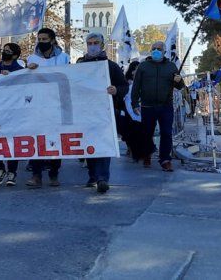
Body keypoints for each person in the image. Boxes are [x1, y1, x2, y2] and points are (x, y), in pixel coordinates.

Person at [76, 33, 128, 193]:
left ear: (102, 44)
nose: (92, 45)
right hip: (85, 111)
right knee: (90, 144)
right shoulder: (80, 65)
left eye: (95, 43)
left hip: (105, 111)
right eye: (89, 43)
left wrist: (116, 90)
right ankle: (93, 176)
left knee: (103, 144)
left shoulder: (111, 66)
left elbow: (124, 86)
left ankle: (102, 178)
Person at [25, 28, 70, 187]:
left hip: (57, 105)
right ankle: (36, 175)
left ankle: (54, 173)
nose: (41, 42)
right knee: (38, 140)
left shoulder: (64, 58)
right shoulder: (32, 58)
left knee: (55, 140)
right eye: (40, 39)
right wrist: (27, 70)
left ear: (52, 40)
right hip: (38, 105)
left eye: (45, 39)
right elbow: (26, 81)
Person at [131, 41, 185, 172]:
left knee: (166, 133)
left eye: (159, 49)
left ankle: (165, 159)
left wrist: (179, 81)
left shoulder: (171, 67)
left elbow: (180, 85)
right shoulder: (143, 66)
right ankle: (147, 154)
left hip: (166, 106)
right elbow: (136, 85)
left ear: (164, 51)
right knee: (147, 133)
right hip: (147, 106)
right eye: (153, 48)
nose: (156, 50)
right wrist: (134, 103)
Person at [0, 43, 23, 187]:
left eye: (8, 51)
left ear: (14, 55)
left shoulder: (19, 70)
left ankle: (12, 172)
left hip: (12, 111)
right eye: (4, 50)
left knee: (12, 141)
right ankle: (0, 168)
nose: (4, 52)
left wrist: (12, 77)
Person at [123, 61, 155, 166]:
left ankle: (147, 156)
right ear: (132, 71)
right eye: (135, 68)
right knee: (135, 135)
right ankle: (136, 153)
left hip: (146, 111)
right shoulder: (127, 84)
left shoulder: (147, 81)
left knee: (148, 133)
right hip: (131, 113)